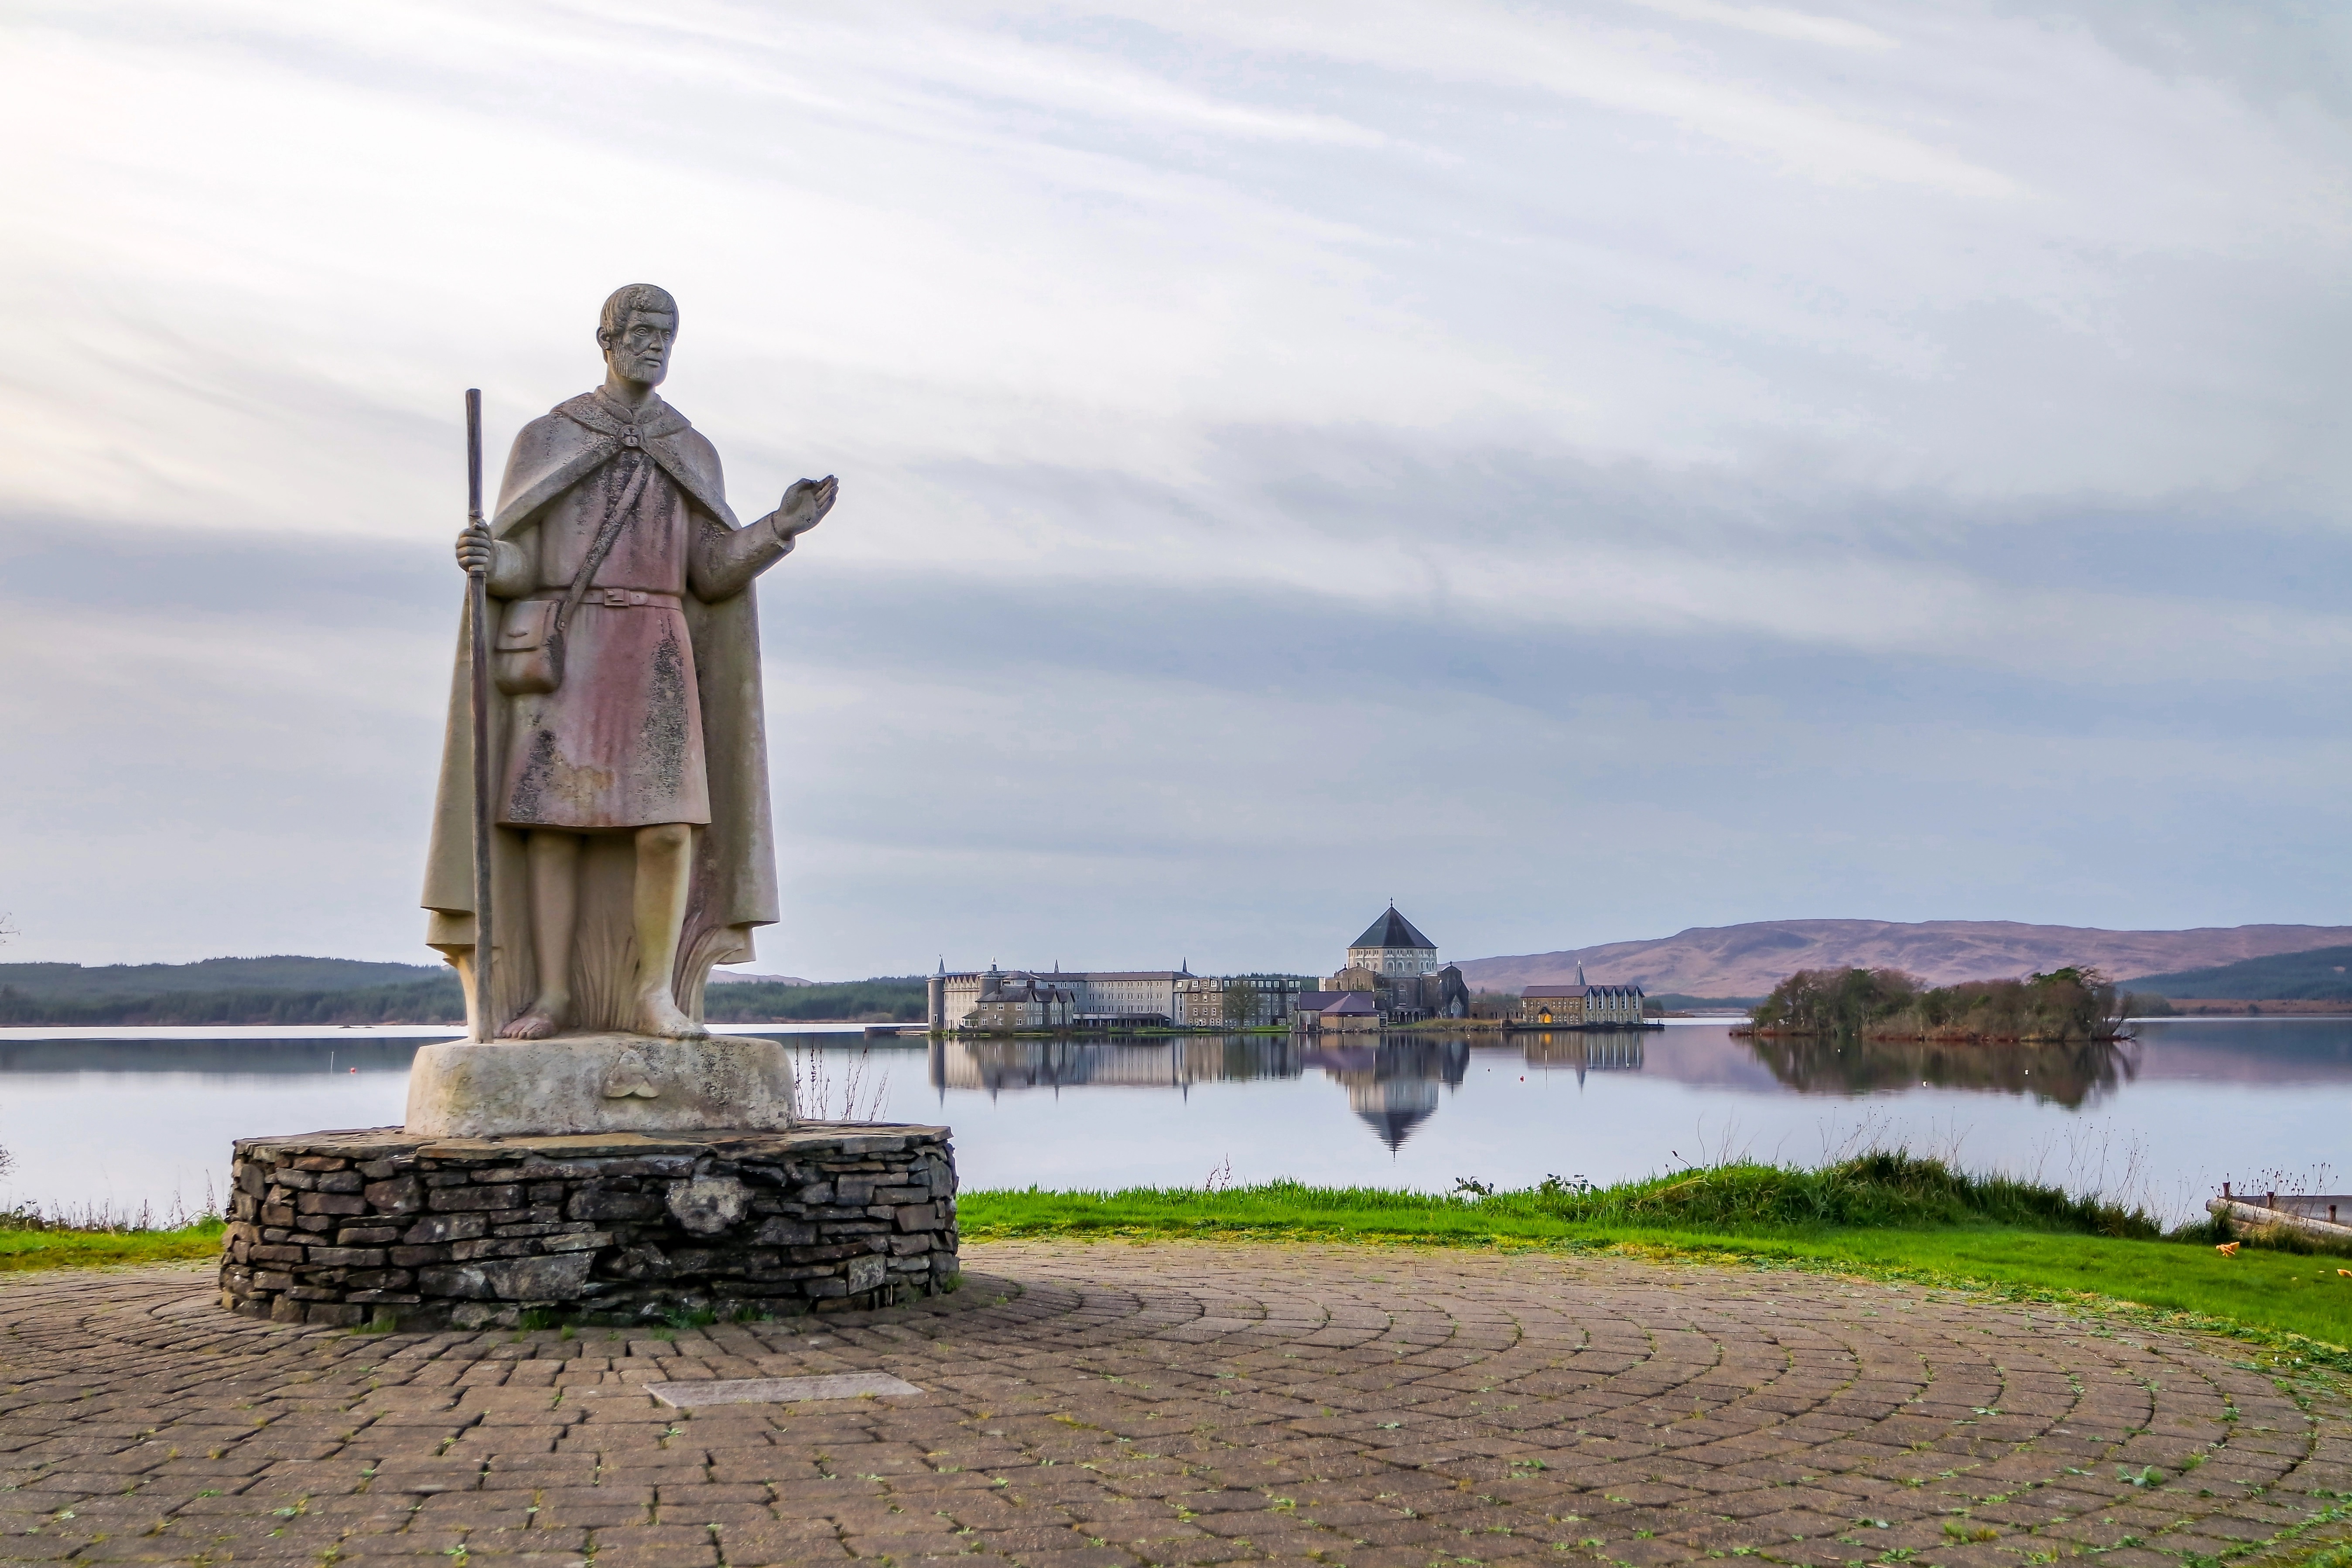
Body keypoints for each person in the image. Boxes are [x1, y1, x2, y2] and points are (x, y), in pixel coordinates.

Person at [422, 284, 835, 1039]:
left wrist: (778, 528)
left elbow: (709, 574)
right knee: (553, 825)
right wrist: (491, 556)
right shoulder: (550, 439)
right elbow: (524, 560)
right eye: (642, 331)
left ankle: (654, 994)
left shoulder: (690, 448)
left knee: (669, 828)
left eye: (667, 334)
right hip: (569, 645)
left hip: (656, 650)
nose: (656, 345)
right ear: (606, 340)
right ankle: (548, 997)